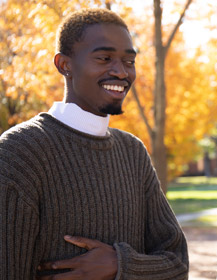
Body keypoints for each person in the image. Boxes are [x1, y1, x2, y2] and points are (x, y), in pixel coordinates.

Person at [0, 8, 188, 279]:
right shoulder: (20, 152)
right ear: (64, 65)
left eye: (129, 61)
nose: (121, 72)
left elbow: (177, 263)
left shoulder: (133, 153)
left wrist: (121, 265)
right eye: (104, 58)